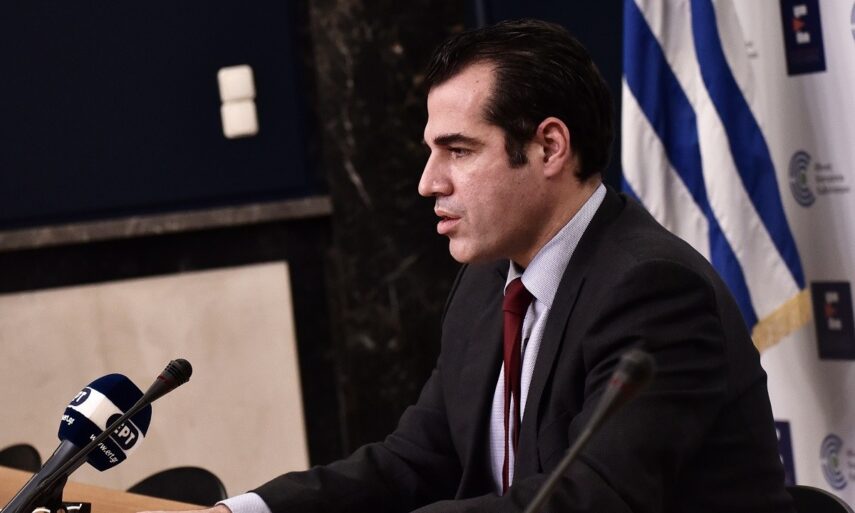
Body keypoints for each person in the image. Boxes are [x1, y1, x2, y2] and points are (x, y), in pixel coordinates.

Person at [147, 18, 794, 513]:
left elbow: (588, 500)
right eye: (432, 151)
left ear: (548, 147)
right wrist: (247, 511)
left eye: (458, 150)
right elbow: (417, 457)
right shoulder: (488, 280)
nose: (428, 182)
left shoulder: (652, 289)